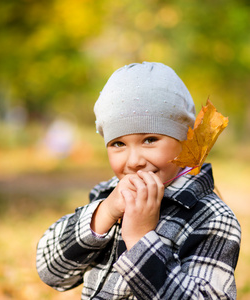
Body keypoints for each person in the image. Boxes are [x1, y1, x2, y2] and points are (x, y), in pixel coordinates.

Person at [36, 62, 241, 299]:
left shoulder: (212, 218)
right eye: (118, 144)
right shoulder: (108, 196)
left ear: (185, 138)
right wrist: (103, 214)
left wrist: (140, 239)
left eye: (150, 139)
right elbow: (51, 272)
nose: (134, 161)